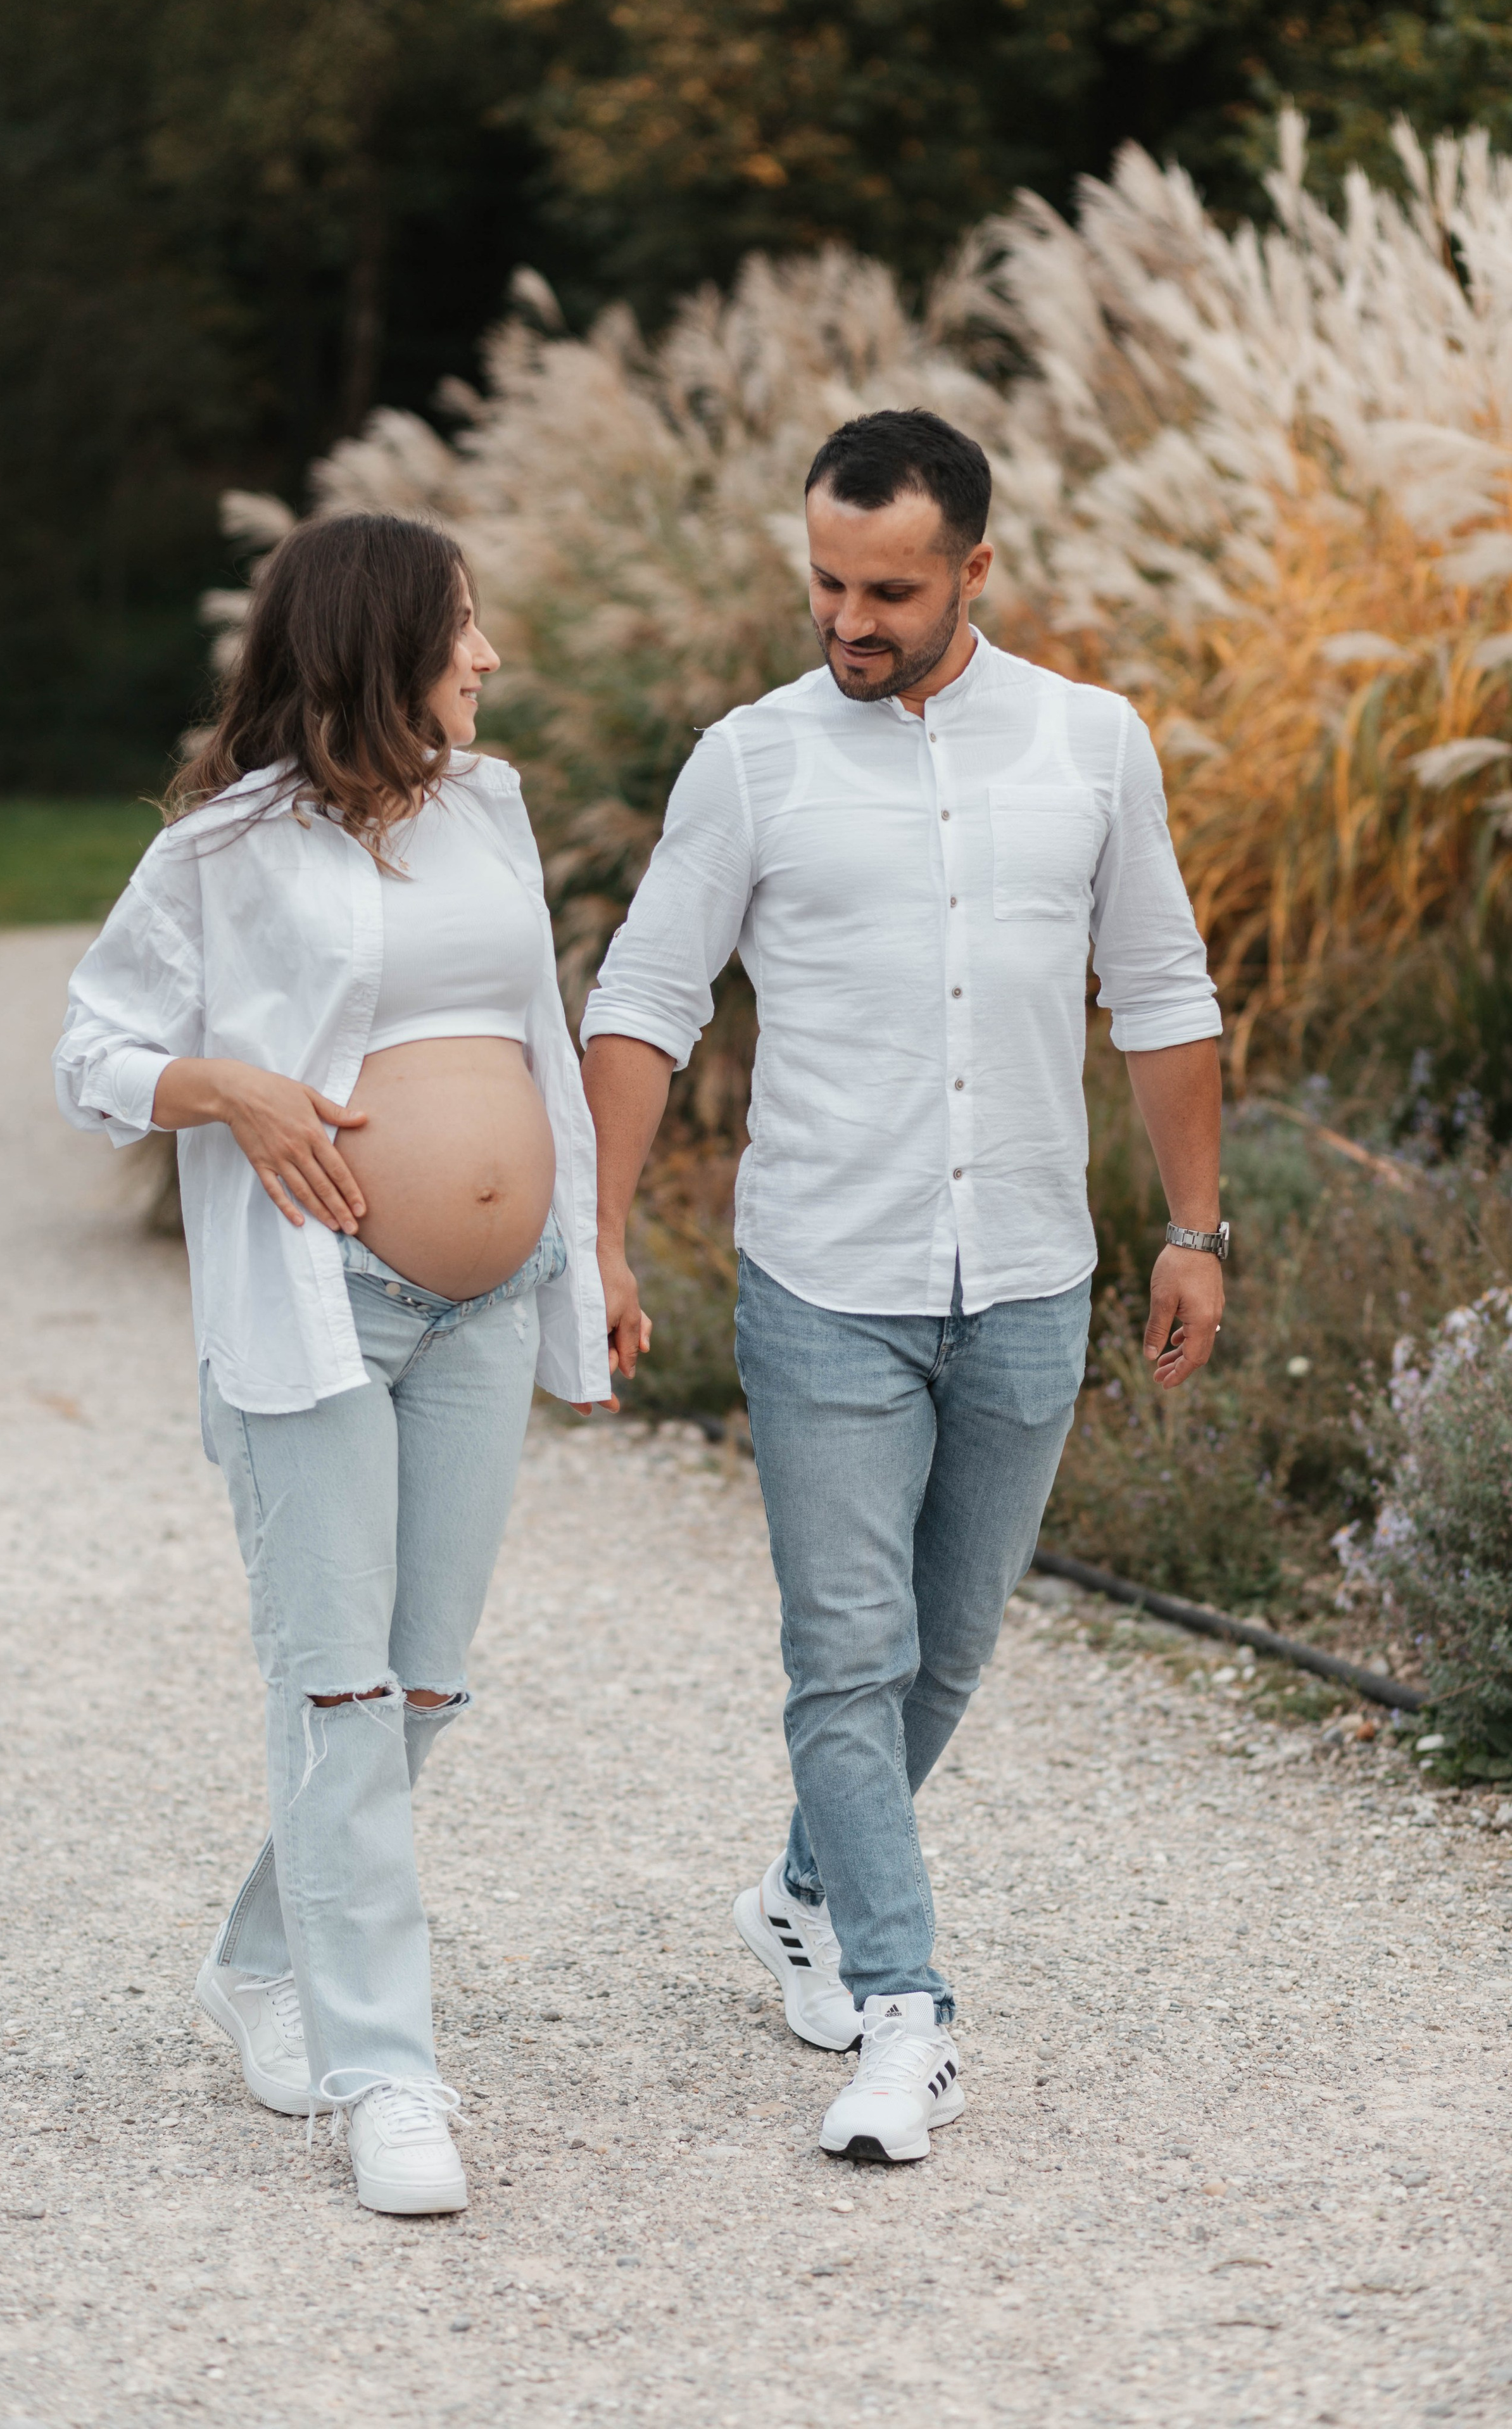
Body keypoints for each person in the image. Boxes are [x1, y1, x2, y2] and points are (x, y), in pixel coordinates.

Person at [580, 408, 1226, 2165]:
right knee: (846, 1662)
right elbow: (644, 1000)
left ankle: (800, 1892)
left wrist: (1196, 1225)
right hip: (827, 1279)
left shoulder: (1094, 744)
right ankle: (906, 2010)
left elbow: (1160, 989)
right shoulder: (754, 760)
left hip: (1026, 1273)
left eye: (888, 590)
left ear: (975, 572)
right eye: (827, 584)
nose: (848, 620)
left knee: (945, 1657)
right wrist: (605, 1231)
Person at [54, 513, 624, 2215]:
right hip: (321, 1309)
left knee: (423, 1679)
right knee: (339, 1685)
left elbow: (538, 1044)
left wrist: (583, 1251)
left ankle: (258, 1957)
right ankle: (390, 2074)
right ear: (384, 641)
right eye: (464, 627)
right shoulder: (224, 851)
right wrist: (228, 1090)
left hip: (485, 1305)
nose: (490, 655)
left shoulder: (492, 806)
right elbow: (92, 1046)